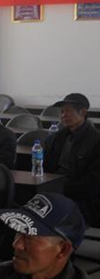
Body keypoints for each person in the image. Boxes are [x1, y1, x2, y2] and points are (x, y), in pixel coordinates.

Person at [44, 93, 100, 227]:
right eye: (62, 111)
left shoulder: (96, 140)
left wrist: (61, 188)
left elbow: (94, 181)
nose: (63, 115)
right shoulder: (55, 138)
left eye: (68, 111)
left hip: (82, 199)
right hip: (54, 189)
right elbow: (45, 167)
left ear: (83, 112)